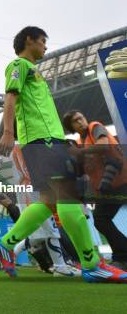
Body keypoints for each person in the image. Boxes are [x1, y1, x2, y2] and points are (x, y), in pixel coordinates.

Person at [0, 26, 127, 283]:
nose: (45, 46)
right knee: (69, 197)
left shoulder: (34, 72)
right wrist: (8, 131)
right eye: (43, 41)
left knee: (48, 202)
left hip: (46, 141)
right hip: (42, 141)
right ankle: (92, 264)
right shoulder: (19, 65)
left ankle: (5, 243)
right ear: (29, 40)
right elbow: (10, 97)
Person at [63, 110, 127, 270]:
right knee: (101, 220)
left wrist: (80, 152)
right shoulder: (81, 142)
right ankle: (122, 255)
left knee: (101, 219)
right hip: (109, 186)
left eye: (81, 118)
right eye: (76, 121)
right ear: (71, 127)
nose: (81, 122)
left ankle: (123, 256)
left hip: (120, 180)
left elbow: (104, 144)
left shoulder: (95, 127)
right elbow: (83, 170)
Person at [12, 143, 80, 277]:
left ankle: (10, 249)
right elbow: (29, 172)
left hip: (35, 191)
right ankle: (61, 266)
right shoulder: (22, 147)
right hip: (34, 193)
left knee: (44, 233)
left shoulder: (26, 146)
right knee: (50, 229)